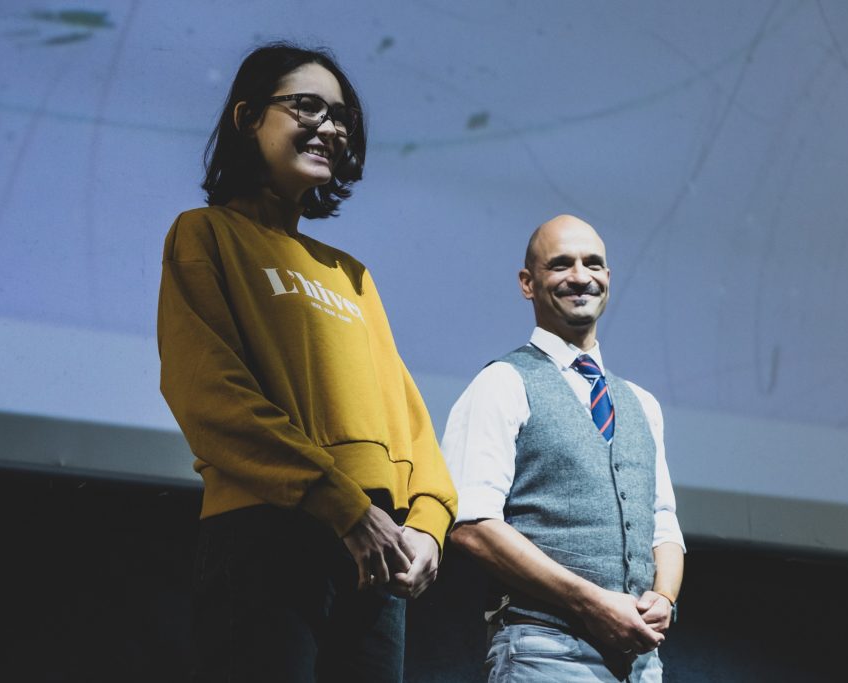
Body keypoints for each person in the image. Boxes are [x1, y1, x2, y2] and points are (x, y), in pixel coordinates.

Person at [157, 43, 457, 683]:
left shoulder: (351, 275)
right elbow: (209, 393)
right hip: (267, 531)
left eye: (341, 116)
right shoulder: (205, 234)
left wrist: (429, 524)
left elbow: (410, 425)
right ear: (247, 117)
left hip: (377, 546)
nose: (330, 127)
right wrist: (341, 504)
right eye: (306, 107)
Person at [441, 215, 685, 682]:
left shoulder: (642, 404)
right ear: (527, 283)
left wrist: (664, 597)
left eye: (592, 263)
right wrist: (590, 602)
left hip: (641, 664)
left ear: (608, 277)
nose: (580, 276)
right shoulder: (503, 382)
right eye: (560, 265)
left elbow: (663, 524)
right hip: (544, 650)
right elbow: (472, 525)